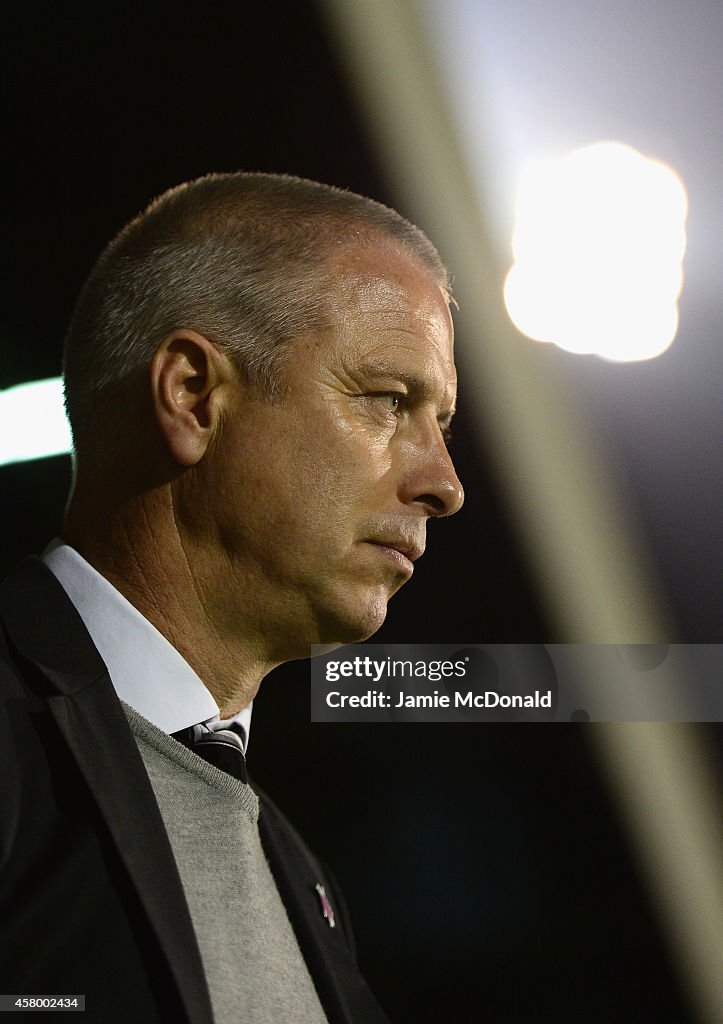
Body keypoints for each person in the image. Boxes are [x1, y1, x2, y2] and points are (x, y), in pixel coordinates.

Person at [0, 173, 463, 1023]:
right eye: (389, 401)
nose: (443, 484)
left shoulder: (308, 883)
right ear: (192, 396)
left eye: (442, 424)